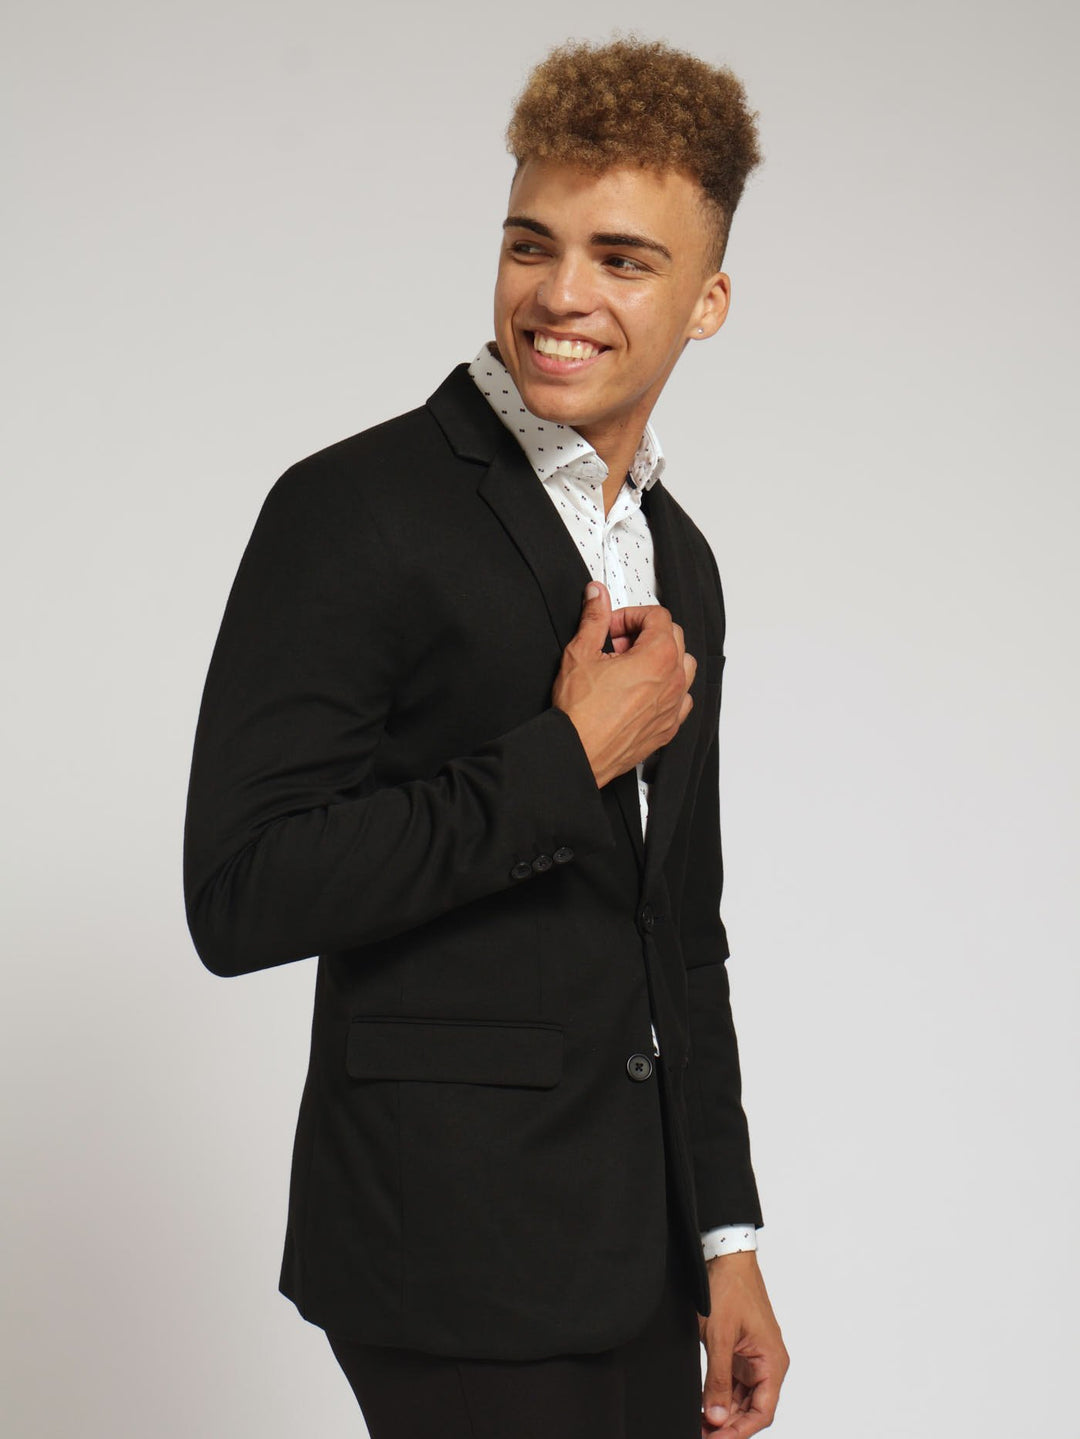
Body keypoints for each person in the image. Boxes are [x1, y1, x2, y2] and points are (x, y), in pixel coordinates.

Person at [184, 34, 789, 1439]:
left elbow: (679, 930)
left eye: (623, 260)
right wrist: (564, 759)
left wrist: (725, 1239)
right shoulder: (354, 509)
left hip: (633, 1253)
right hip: (444, 1253)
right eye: (532, 244)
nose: (561, 295)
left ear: (707, 301)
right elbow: (243, 889)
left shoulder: (681, 561)